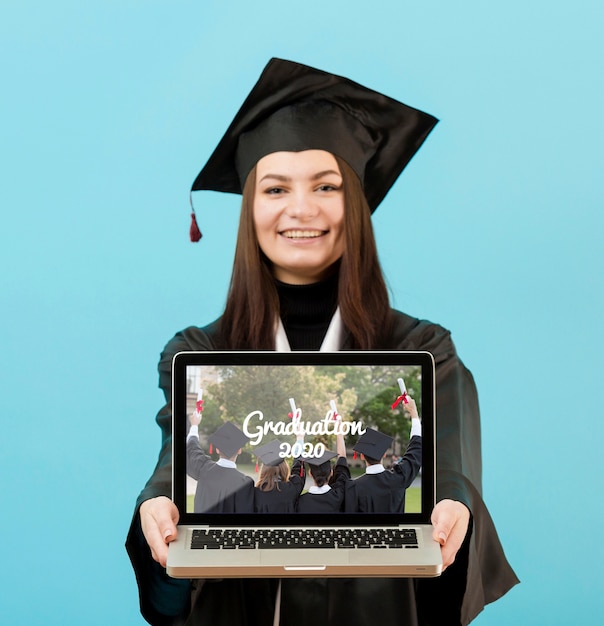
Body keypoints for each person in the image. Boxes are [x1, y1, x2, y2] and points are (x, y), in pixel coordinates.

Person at [126, 58, 519, 625]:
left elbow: (446, 472)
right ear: (251, 208)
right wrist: (158, 507)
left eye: (326, 186)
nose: (301, 208)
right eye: (276, 187)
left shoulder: (422, 351)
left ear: (353, 205)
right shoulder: (200, 353)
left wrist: (453, 507)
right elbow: (180, 467)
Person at [345, 397, 422, 513]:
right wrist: (414, 413)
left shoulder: (354, 488)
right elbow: (416, 449)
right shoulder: (398, 478)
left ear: (362, 456)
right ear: (384, 454)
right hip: (394, 531)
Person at [186, 415, 254, 514]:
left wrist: (194, 425)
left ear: (217, 450)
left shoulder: (203, 468)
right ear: (239, 451)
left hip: (201, 527)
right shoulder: (244, 483)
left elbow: (192, 448)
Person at [296, 417, 349, 513]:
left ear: (310, 474)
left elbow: (296, 470)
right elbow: (342, 462)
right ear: (331, 473)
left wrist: (300, 438)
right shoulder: (339, 496)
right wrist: (339, 433)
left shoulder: (300, 502)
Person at [253, 439, 306, 514]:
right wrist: (300, 439)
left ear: (263, 469)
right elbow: (298, 470)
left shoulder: (255, 493)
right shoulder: (292, 489)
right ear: (284, 468)